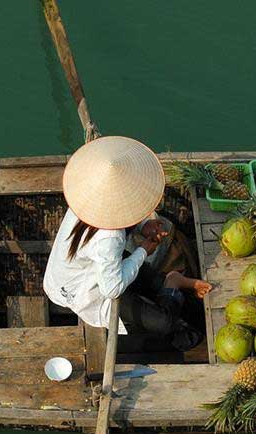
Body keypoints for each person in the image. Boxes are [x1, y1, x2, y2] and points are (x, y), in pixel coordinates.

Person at [43, 136, 211, 351]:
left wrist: (144, 225)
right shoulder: (109, 237)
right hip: (83, 288)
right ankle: (173, 283)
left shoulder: (87, 195)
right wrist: (143, 250)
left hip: (95, 267)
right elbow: (111, 289)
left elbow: (122, 208)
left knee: (143, 277)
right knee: (164, 323)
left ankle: (171, 281)